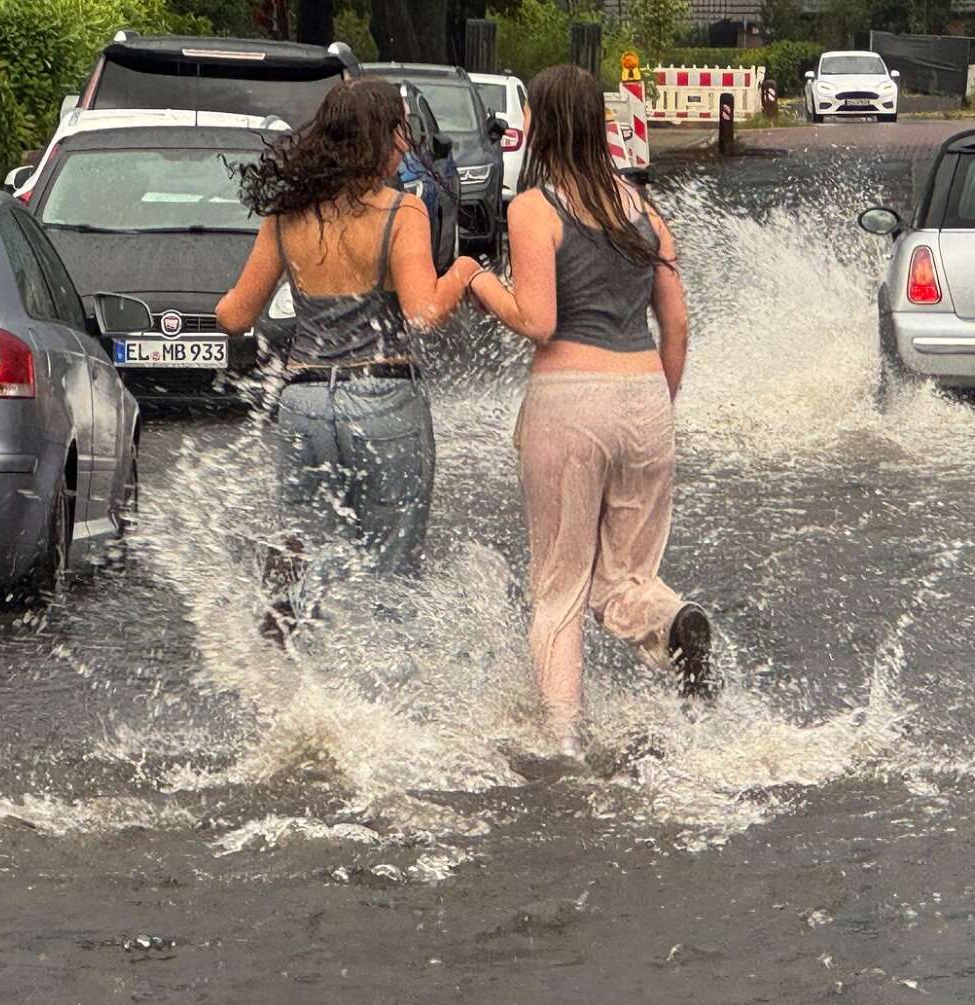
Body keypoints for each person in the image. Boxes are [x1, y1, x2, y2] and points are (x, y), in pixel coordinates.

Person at [468, 63, 714, 760]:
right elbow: (679, 325)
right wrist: (656, 401)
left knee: (561, 587)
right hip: (644, 398)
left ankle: (563, 742)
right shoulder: (643, 210)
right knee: (628, 576)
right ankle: (672, 622)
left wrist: (479, 282)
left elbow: (539, 320)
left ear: (540, 125)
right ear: (601, 125)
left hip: (570, 400)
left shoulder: (534, 209)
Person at [217, 79, 479, 632]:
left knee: (308, 542)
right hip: (382, 398)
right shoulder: (401, 212)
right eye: (400, 132)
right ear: (377, 139)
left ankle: (293, 644)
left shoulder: (288, 216)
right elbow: (423, 314)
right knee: (389, 566)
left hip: (304, 402)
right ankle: (373, 691)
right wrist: (464, 272)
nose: (406, 145)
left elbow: (235, 317)